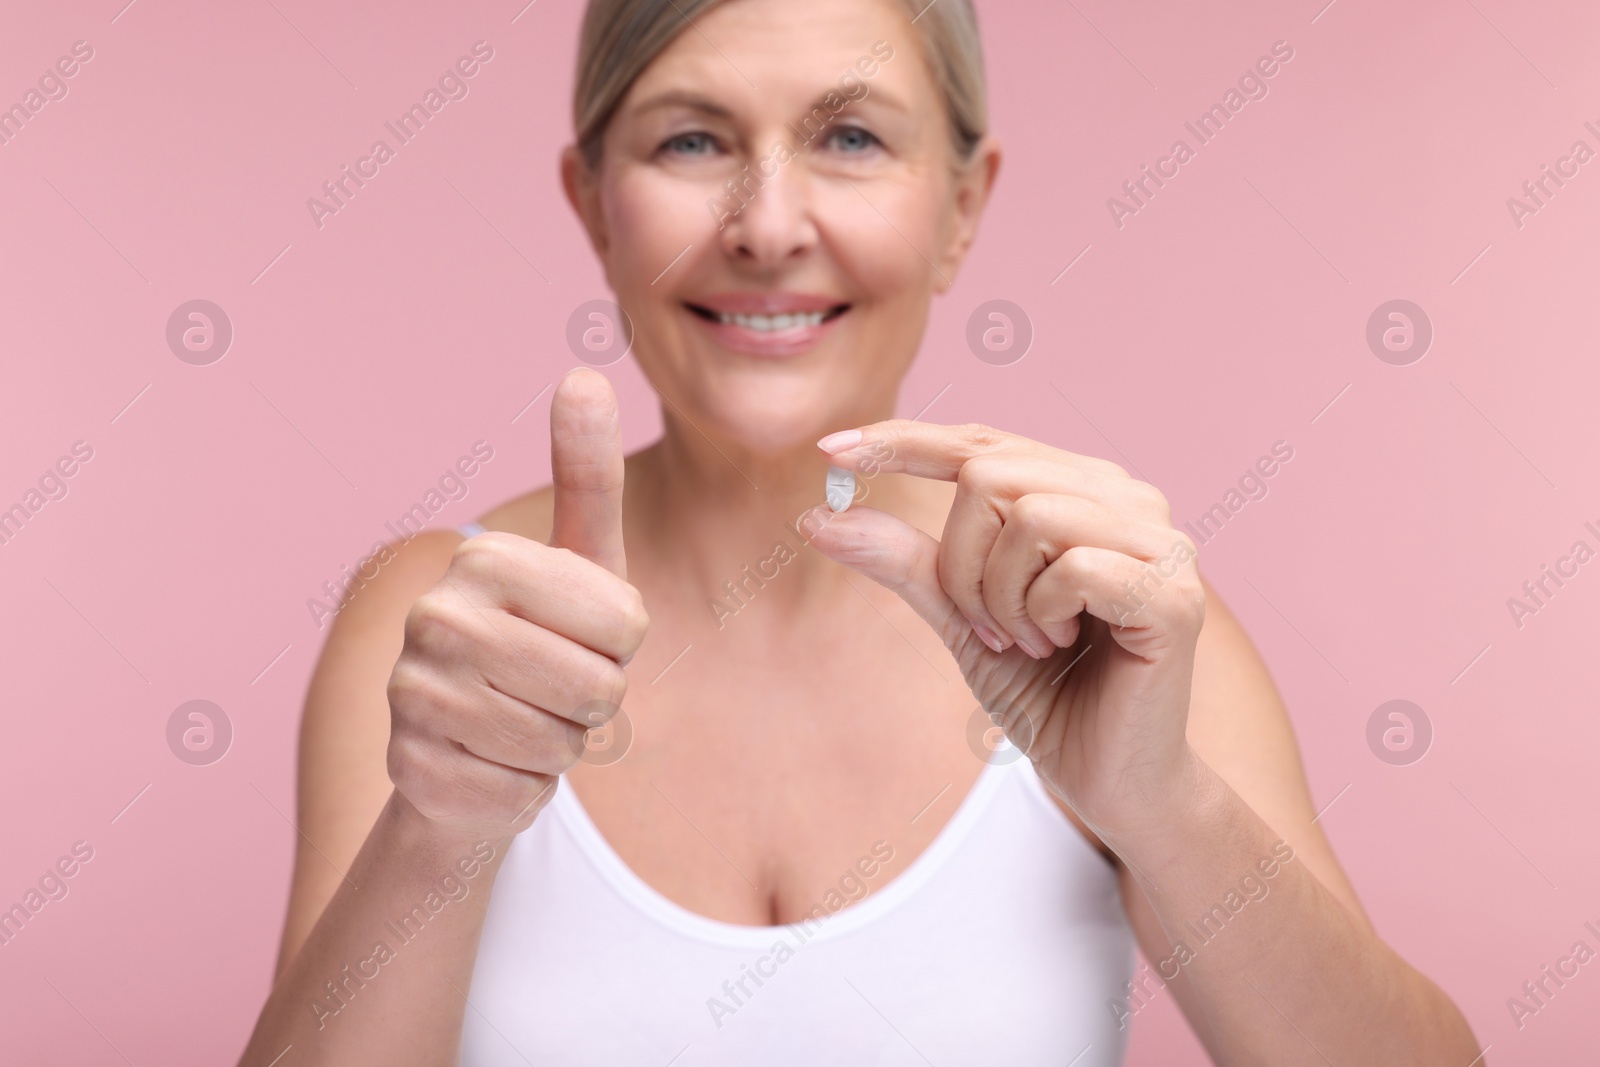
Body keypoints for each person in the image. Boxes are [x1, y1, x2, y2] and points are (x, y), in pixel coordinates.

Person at [237, 0, 1483, 1062]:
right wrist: (435, 830)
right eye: (689, 138)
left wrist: (1157, 800)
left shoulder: (1104, 621)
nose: (768, 226)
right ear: (591, 203)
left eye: (847, 136)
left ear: (959, 206)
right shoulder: (446, 625)